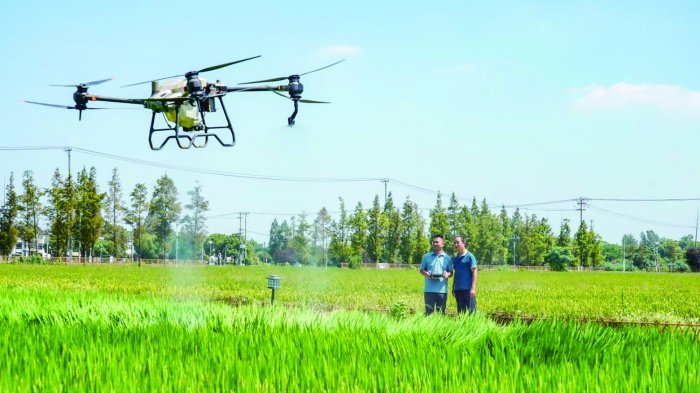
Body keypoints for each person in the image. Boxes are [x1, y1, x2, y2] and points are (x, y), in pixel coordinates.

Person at [420, 234, 452, 315]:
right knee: (428, 313)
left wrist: (447, 274)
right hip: (429, 290)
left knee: (441, 314)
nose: (434, 244)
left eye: (437, 242)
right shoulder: (426, 257)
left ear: (443, 244)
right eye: (433, 242)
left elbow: (451, 272)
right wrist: (426, 273)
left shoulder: (448, 258)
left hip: (442, 290)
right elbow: (421, 270)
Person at [452, 235, 478, 314]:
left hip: (468, 290)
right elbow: (456, 274)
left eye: (457, 243)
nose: (455, 245)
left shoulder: (470, 256)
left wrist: (473, 288)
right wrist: (453, 287)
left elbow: (474, 273)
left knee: (471, 313)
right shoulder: (456, 258)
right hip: (458, 290)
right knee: (461, 313)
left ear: (463, 243)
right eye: (454, 243)